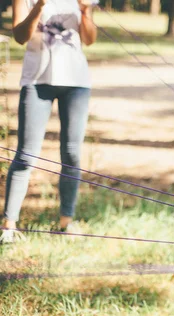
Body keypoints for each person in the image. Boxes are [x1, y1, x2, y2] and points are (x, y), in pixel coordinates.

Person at [0, 0, 97, 244]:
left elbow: (90, 38)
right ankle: (8, 227)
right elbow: (21, 36)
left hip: (76, 83)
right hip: (37, 81)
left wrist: (85, 10)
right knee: (26, 155)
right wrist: (39, 6)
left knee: (72, 153)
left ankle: (66, 222)